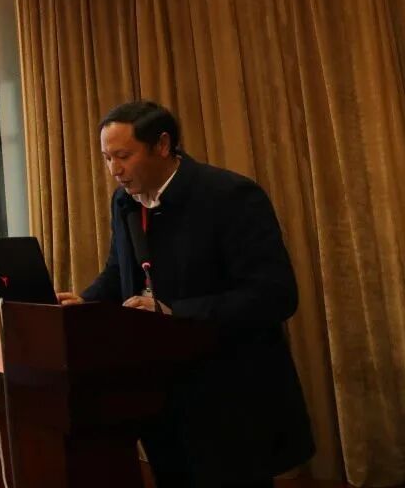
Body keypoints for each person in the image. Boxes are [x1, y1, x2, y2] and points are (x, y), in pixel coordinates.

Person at [57, 101, 314, 488]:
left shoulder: (230, 196)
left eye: (123, 156)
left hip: (230, 392)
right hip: (158, 390)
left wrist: (175, 312)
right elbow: (119, 271)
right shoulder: (124, 201)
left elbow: (275, 294)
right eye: (107, 158)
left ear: (162, 145)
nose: (114, 170)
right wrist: (86, 303)